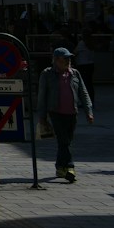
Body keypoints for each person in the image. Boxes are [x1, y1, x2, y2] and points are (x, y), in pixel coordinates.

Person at [38, 46, 95, 181]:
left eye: (69, 58)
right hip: (56, 112)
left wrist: (89, 111)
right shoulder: (47, 74)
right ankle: (70, 167)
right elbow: (42, 96)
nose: (68, 61)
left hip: (72, 112)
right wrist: (42, 116)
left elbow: (83, 92)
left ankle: (59, 167)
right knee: (64, 140)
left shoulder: (74, 73)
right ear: (56, 60)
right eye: (65, 58)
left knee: (66, 141)